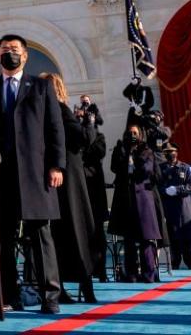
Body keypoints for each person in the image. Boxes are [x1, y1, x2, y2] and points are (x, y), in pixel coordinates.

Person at [0, 35, 66, 313]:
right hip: (0, 174)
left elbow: (54, 127)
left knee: (41, 233)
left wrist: (56, 165)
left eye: (14, 50)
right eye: (3, 50)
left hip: (36, 172)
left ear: (24, 55)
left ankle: (50, 295)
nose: (8, 54)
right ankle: (8, 295)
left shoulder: (41, 86)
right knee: (4, 236)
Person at [40, 73, 98, 304]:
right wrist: (90, 122)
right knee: (78, 229)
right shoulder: (62, 110)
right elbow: (84, 138)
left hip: (52, 176)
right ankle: (86, 285)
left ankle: (60, 286)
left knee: (57, 232)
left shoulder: (43, 113)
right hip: (70, 177)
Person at [108, 124, 161, 282]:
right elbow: (114, 168)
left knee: (146, 238)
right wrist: (125, 155)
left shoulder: (147, 150)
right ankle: (131, 273)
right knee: (129, 238)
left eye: (135, 133)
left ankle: (148, 273)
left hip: (143, 199)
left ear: (140, 135)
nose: (132, 135)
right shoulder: (121, 149)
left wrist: (134, 158)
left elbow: (146, 170)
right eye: (130, 132)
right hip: (126, 198)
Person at [80, 112, 109, 282]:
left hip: (95, 191)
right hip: (82, 190)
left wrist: (87, 142)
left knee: (98, 233)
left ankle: (101, 269)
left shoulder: (99, 137)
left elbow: (98, 153)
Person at [159, 144, 191, 270]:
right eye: (167, 152)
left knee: (187, 241)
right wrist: (165, 191)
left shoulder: (186, 168)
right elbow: (157, 187)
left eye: (172, 151)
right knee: (173, 241)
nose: (170, 154)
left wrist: (177, 189)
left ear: (177, 152)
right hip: (170, 209)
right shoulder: (161, 169)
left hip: (185, 209)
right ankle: (174, 266)